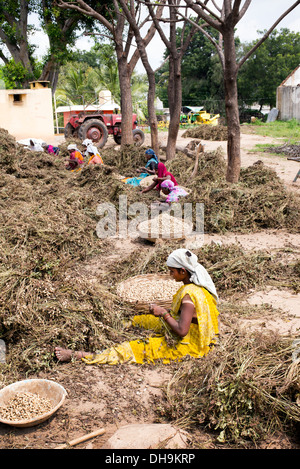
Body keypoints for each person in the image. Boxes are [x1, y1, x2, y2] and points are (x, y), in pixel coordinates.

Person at [54, 249, 219, 365]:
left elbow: (182, 331)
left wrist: (163, 313)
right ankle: (117, 327)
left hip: (189, 345)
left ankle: (81, 355)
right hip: (196, 333)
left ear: (183, 271)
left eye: (172, 271)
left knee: (134, 348)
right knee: (142, 320)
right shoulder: (199, 286)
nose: (170, 275)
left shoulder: (189, 295)